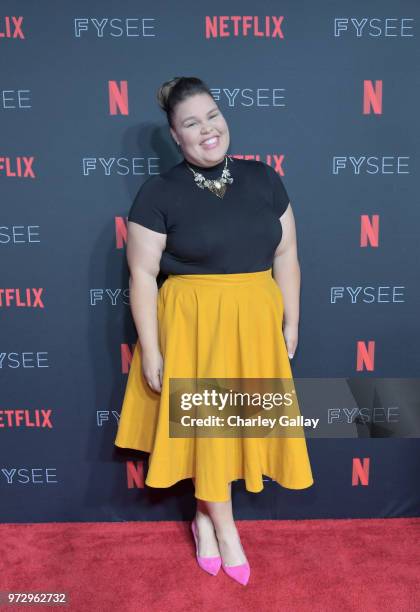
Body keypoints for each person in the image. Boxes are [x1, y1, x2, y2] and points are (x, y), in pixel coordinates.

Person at [114, 76, 314, 586]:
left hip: (254, 324)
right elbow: (141, 276)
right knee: (210, 429)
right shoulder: (158, 192)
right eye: (191, 123)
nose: (207, 129)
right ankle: (227, 532)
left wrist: (291, 317)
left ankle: (204, 519)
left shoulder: (265, 178)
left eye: (212, 115)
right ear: (176, 137)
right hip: (194, 327)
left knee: (231, 428)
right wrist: (152, 349)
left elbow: (286, 252)